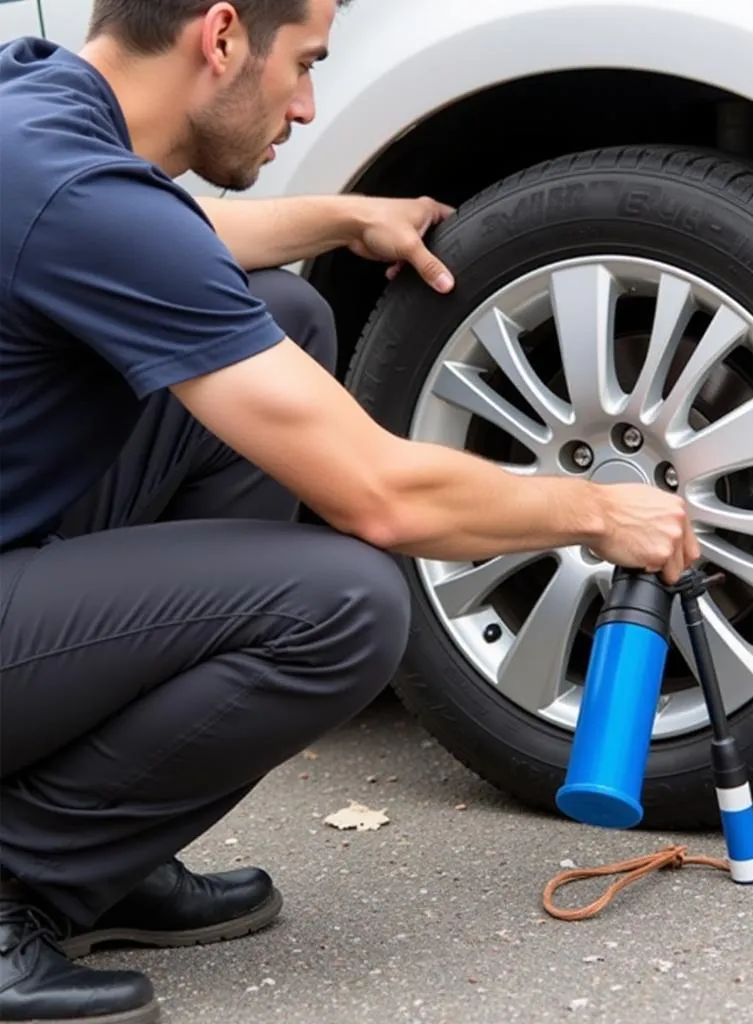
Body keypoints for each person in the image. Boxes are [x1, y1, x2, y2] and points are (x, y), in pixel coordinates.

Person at [0, 1, 701, 1021]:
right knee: (343, 603)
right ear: (223, 35)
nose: (308, 101)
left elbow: (166, 235)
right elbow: (378, 496)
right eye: (305, 64)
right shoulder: (72, 186)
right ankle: (26, 870)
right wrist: (596, 510)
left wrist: (341, 216)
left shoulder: (38, 114)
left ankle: (102, 845)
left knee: (281, 310)